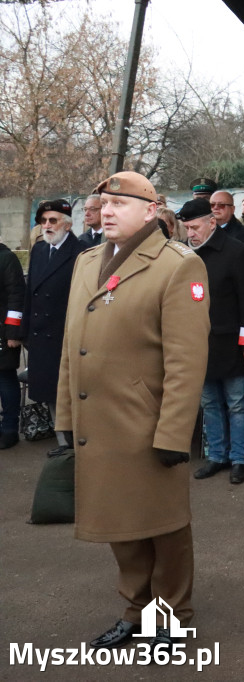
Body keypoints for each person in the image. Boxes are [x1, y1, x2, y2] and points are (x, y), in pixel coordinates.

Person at [56, 171, 209, 649]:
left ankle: (171, 616)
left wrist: (174, 434)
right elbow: (73, 346)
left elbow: (186, 361)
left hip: (146, 423)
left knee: (163, 525)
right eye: (104, 203)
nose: (107, 211)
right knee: (119, 522)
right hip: (99, 422)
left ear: (150, 211)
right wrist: (65, 414)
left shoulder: (178, 265)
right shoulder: (87, 262)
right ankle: (137, 609)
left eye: (120, 204)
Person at [178, 198, 244, 486]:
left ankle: (239, 458)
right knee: (210, 403)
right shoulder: (184, 255)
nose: (190, 234)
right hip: (198, 343)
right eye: (187, 228)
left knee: (237, 404)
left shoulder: (238, 252)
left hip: (231, 342)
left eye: (195, 227)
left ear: (212, 222)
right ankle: (216, 455)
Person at [24, 199, 86, 455]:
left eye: (53, 220)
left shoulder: (81, 252)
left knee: (67, 392)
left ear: (68, 225)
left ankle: (73, 445)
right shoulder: (39, 250)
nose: (47, 225)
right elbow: (30, 292)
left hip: (64, 334)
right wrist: (24, 330)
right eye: (43, 221)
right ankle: (64, 445)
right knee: (49, 392)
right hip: (40, 334)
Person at [0, 210, 27, 449]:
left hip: (4, 333)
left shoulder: (7, 258)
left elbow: (17, 297)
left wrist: (13, 332)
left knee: (6, 378)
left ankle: (10, 429)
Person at [209, 190, 244, 266]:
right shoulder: (204, 231)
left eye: (221, 205)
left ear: (232, 209)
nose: (215, 208)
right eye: (212, 205)